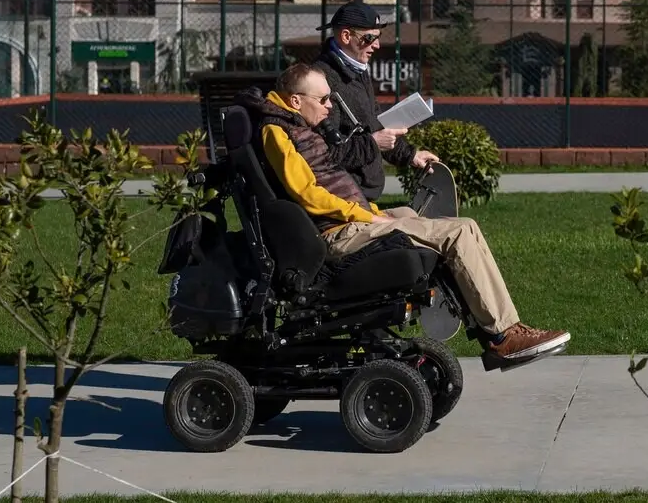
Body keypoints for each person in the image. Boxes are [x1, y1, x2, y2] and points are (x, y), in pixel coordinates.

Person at [238, 62, 571, 364]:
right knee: (458, 231)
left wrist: (375, 212)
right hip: (338, 235)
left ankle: (501, 329)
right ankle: (502, 336)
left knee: (437, 219)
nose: (329, 107)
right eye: (323, 100)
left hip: (350, 222)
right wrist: (368, 216)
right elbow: (308, 195)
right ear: (296, 101)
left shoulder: (295, 125)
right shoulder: (277, 132)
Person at [312, 2, 437, 204]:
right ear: (346, 36)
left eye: (378, 38)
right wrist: (374, 143)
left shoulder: (357, 69)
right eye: (369, 38)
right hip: (343, 201)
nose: (377, 45)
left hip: (361, 198)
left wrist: (411, 155)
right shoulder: (321, 81)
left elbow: (374, 124)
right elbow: (326, 155)